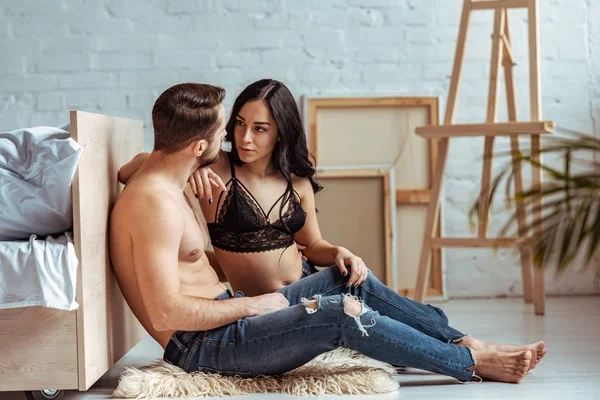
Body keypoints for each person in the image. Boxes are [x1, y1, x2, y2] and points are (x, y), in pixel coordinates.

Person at [110, 82, 545, 385]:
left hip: (224, 316)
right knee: (339, 313)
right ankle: (468, 362)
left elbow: (132, 166)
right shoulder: (156, 205)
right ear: (200, 147)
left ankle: (459, 339)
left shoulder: (163, 180)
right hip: (205, 347)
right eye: (227, 128)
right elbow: (166, 314)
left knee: (345, 279)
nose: (235, 137)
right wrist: (251, 305)